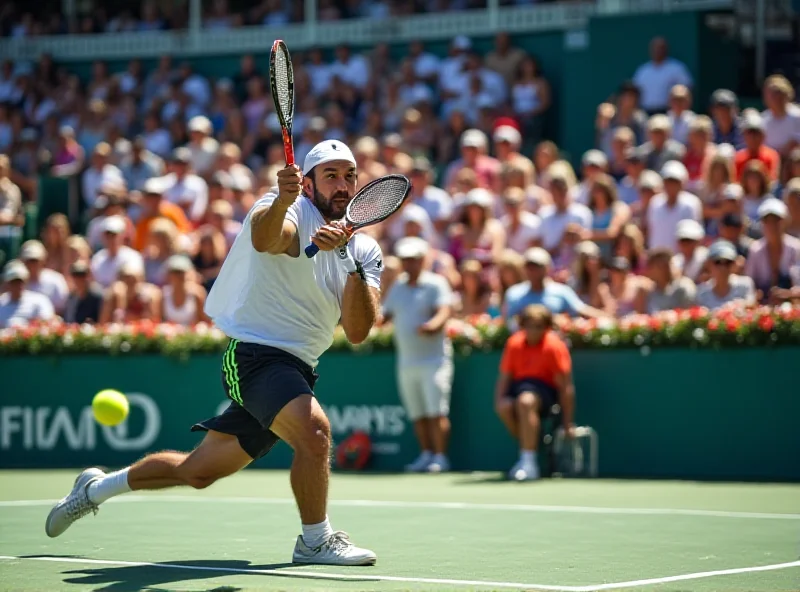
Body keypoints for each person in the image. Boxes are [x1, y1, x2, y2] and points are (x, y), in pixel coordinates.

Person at [45, 140, 382, 567]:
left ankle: (94, 489)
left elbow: (357, 331)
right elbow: (268, 239)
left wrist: (347, 259)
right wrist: (282, 199)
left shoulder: (366, 251)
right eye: (330, 175)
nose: (343, 184)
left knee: (198, 472)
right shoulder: (289, 208)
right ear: (309, 184)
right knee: (315, 434)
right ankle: (315, 541)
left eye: (349, 175)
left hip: (299, 368)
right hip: (255, 356)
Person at [381, 237, 454, 473]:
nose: (409, 264)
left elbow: (444, 312)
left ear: (423, 260)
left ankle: (441, 457)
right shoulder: (398, 286)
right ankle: (426, 454)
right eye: (405, 260)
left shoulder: (436, 284)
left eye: (413, 260)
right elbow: (385, 316)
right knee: (418, 414)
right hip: (406, 362)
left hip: (435, 361)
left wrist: (433, 325)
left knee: (436, 412)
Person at [494, 304, 575, 481]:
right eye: (528, 326)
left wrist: (568, 422)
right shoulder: (514, 343)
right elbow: (504, 377)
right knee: (506, 406)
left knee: (525, 401)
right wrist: (499, 401)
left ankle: (529, 463)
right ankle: (530, 447)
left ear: (546, 327)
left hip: (546, 392)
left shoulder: (554, 346)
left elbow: (565, 386)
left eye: (538, 326)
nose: (533, 331)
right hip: (520, 386)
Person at [503, 247, 605, 321]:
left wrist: (608, 318)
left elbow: (582, 311)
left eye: (537, 266)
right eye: (529, 266)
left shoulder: (562, 291)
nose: (532, 271)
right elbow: (509, 321)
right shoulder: (514, 293)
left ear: (547, 268)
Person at [696, 240, 756, 310]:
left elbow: (752, 307)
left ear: (734, 264)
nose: (723, 267)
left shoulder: (745, 284)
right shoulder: (701, 292)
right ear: (709, 264)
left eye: (728, 262)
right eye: (717, 262)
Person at [0, 260, 55, 328]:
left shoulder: (40, 301)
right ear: (7, 283)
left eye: (20, 282)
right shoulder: (1, 302)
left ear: (26, 282)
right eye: (14, 282)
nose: (18, 285)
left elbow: (47, 325)